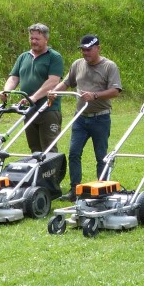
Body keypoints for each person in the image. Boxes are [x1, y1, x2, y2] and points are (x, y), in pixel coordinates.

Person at [53, 35, 123, 202]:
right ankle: (75, 190)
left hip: (101, 118)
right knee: (74, 153)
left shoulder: (109, 66)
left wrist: (95, 95)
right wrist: (55, 92)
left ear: (98, 48)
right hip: (80, 118)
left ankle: (102, 190)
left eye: (89, 49)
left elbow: (116, 90)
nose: (85, 53)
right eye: (83, 50)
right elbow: (67, 82)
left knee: (101, 156)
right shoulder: (77, 64)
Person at [1, 23, 64, 153]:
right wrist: (6, 91)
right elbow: (14, 77)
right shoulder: (23, 57)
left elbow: (53, 81)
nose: (33, 42)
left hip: (48, 109)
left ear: (46, 39)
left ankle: (51, 173)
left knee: (49, 148)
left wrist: (34, 98)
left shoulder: (54, 57)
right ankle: (37, 173)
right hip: (29, 109)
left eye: (37, 39)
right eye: (31, 38)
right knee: (34, 148)